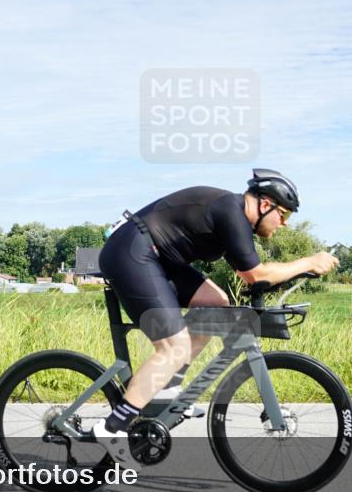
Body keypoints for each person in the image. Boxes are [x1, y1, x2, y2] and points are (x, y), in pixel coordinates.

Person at [92, 169, 339, 468]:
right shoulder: (230, 211)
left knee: (216, 303)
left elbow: (253, 278)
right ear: (265, 205)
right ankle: (112, 427)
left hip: (157, 259)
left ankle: (168, 388)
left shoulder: (234, 218)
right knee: (174, 348)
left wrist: (302, 269)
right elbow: (255, 275)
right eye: (283, 215)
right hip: (131, 254)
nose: (284, 224)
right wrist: (308, 262)